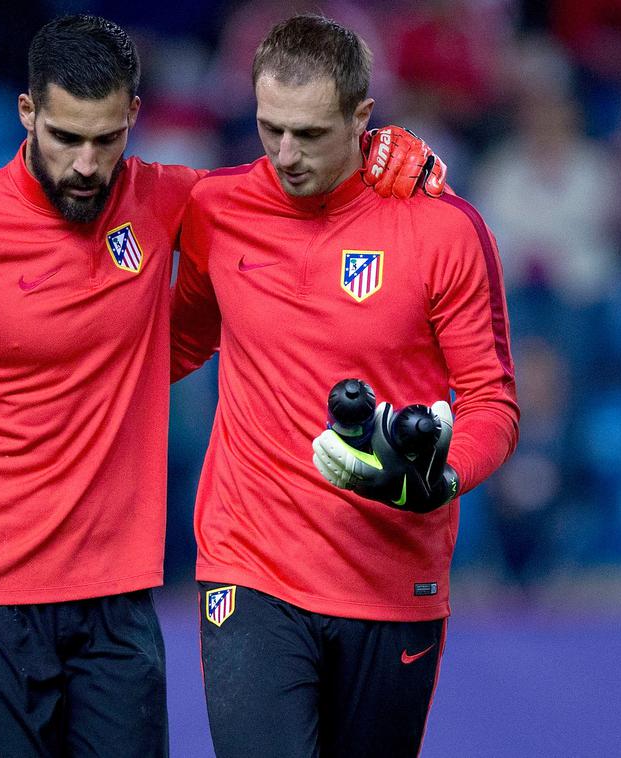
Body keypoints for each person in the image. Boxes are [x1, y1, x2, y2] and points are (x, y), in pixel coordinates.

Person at [0, 13, 442, 758]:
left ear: (134, 115)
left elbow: (292, 184)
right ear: (27, 112)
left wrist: (379, 154)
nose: (87, 166)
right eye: (66, 138)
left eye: (106, 139)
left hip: (117, 606)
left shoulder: (170, 198)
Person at [170, 14, 519, 757]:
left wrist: (444, 477)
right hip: (250, 565)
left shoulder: (445, 230)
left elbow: (491, 402)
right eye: (270, 129)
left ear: (364, 118)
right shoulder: (214, 209)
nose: (286, 155)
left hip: (393, 578)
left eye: (310, 134)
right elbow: (176, 343)